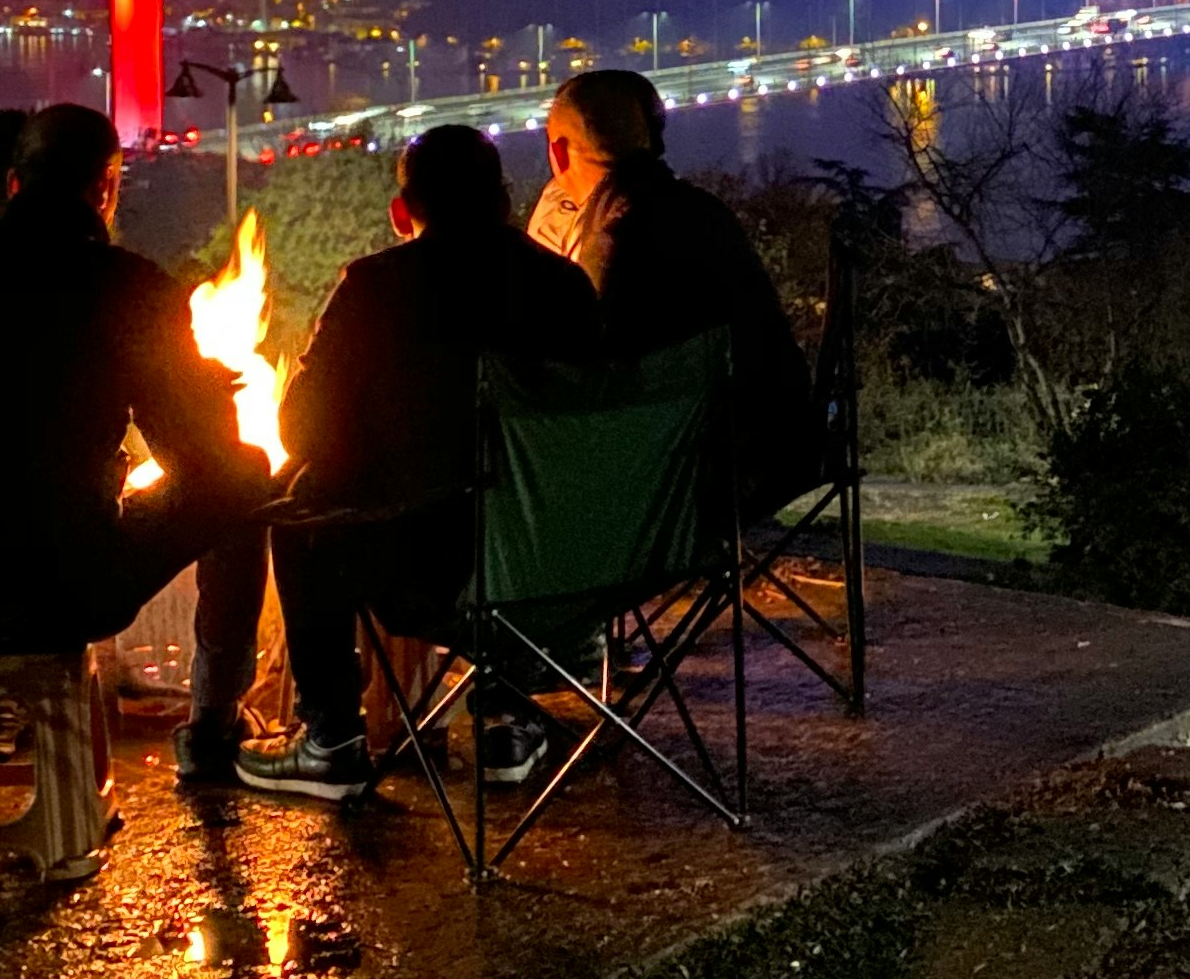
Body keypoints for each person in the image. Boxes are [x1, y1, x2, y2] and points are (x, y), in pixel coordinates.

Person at [229, 121, 607, 803]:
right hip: (572, 569)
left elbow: (302, 428)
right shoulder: (565, 286)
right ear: (505, 200)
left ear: (403, 211)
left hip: (434, 575)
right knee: (497, 503)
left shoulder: (376, 287)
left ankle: (331, 740)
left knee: (298, 507)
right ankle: (506, 716)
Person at [0, 105, 269, 657]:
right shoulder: (127, 286)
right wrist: (208, 392)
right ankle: (218, 705)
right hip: (53, 596)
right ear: (106, 187)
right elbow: (201, 459)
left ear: (14, 184)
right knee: (245, 472)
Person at [530, 67, 816, 512]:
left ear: (559, 153)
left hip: (691, 475)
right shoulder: (703, 212)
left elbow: (596, 377)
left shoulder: (611, 239)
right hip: (779, 444)